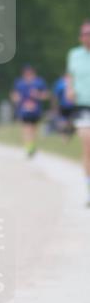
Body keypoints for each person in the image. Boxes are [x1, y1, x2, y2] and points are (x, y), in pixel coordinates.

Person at [65, 20, 90, 205]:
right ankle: (88, 191)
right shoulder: (74, 55)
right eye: (84, 34)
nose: (87, 37)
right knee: (87, 145)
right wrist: (69, 90)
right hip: (83, 105)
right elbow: (69, 76)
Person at [10, 65, 49, 158]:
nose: (28, 75)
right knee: (26, 129)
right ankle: (29, 148)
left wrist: (38, 94)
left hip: (36, 111)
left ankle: (32, 145)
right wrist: (16, 99)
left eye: (30, 73)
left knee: (34, 129)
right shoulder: (19, 83)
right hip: (24, 110)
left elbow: (46, 95)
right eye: (26, 73)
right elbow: (14, 95)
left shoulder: (39, 82)